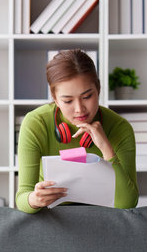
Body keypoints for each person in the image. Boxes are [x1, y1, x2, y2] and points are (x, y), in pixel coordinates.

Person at [16, 49, 138, 213]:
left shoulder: (119, 127)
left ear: (98, 89)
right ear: (55, 99)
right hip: (52, 218)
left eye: (87, 97)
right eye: (67, 101)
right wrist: (34, 199)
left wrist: (107, 149)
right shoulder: (36, 123)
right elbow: (22, 199)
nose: (79, 109)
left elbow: (128, 203)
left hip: (102, 217)